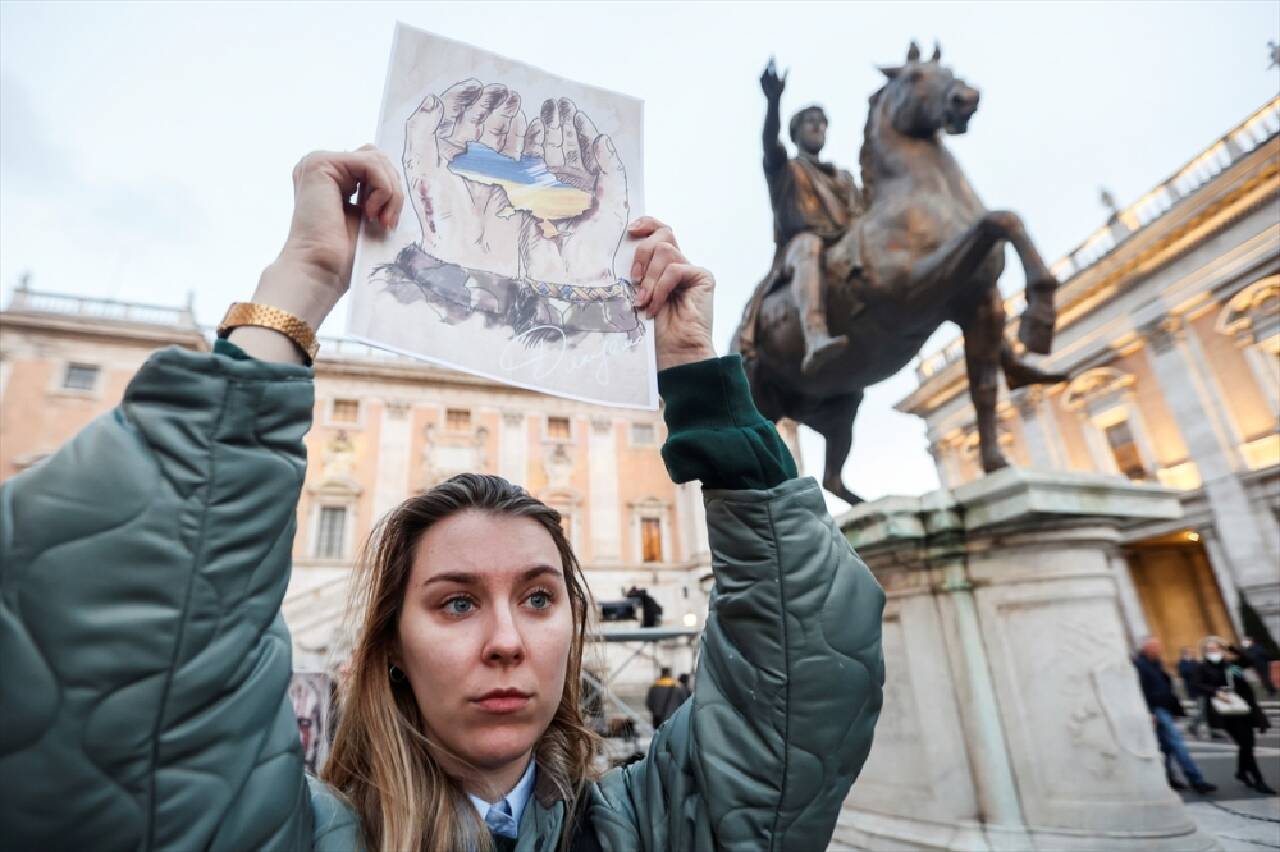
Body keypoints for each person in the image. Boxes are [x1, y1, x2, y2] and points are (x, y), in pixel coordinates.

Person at [0, 146, 887, 851]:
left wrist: (699, 374)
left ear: (576, 623)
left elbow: (806, 672)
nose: (507, 642)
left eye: (539, 597)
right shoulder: (267, 829)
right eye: (455, 601)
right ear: (388, 647)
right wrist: (301, 284)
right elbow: (118, 650)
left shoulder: (654, 829)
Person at [756, 58, 862, 376]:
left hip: (845, 240)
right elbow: (769, 143)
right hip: (800, 249)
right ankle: (814, 334)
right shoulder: (786, 170)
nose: (817, 126)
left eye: (822, 122)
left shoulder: (843, 177)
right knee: (807, 245)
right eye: (809, 121)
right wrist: (774, 102)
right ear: (796, 132)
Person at [1133, 638, 1216, 794]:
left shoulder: (1156, 663)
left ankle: (1169, 778)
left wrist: (1174, 710)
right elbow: (1140, 691)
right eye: (1156, 647)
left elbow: (1166, 688)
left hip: (1165, 708)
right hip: (1157, 710)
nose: (1159, 649)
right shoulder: (1139, 666)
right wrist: (1149, 712)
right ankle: (1196, 780)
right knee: (1177, 744)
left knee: (1165, 747)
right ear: (1146, 648)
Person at [1194, 636, 1275, 795]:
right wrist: (1215, 692)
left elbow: (1249, 661)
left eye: (1216, 649)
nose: (1213, 652)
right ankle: (1258, 780)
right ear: (1205, 652)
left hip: (1243, 708)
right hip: (1225, 712)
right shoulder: (1202, 668)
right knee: (1245, 743)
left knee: (1248, 744)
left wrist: (1232, 648)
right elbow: (1197, 684)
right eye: (1210, 650)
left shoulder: (1231, 665)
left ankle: (1241, 772)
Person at [1177, 646, 1210, 739]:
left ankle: (1197, 726)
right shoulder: (1182, 663)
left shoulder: (1194, 661)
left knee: (1203, 709)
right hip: (1193, 689)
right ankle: (1192, 726)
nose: (1191, 654)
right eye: (1188, 652)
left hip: (1202, 688)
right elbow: (1184, 673)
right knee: (1201, 710)